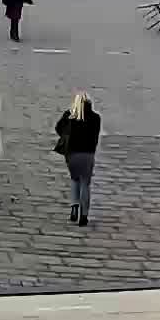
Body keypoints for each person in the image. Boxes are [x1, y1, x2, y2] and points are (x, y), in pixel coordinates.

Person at [55, 92, 101, 227]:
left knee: (75, 179)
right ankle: (84, 216)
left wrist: (67, 114)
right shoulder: (96, 118)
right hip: (88, 154)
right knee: (85, 184)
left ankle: (74, 207)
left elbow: (58, 129)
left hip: (72, 155)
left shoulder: (71, 117)